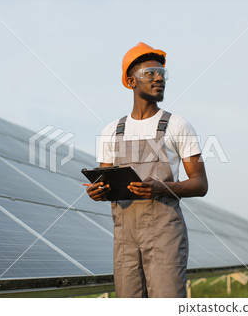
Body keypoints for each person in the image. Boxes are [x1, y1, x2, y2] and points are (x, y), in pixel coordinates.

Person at [86, 42, 208, 298]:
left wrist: (161, 188)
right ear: (131, 82)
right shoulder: (112, 130)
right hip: (125, 237)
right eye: (150, 73)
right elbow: (104, 182)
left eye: (161, 74)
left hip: (164, 234)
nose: (158, 79)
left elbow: (200, 184)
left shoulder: (177, 125)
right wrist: (97, 191)